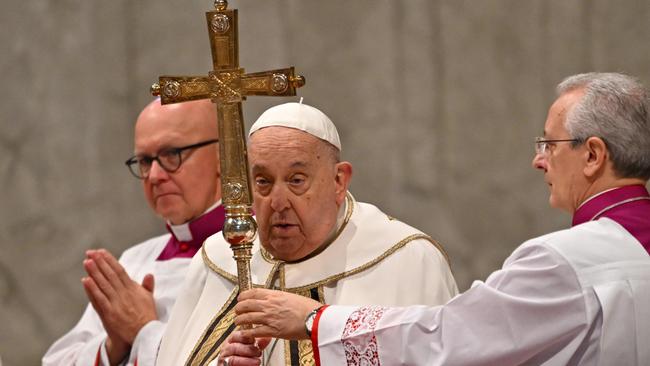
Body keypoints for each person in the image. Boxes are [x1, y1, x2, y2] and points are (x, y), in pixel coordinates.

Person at [233, 72, 650, 365]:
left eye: (549, 144)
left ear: (593, 155)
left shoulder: (565, 262)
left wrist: (312, 320)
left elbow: (446, 340)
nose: (538, 160)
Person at [155, 102, 458, 366]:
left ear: (339, 180)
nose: (277, 202)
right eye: (263, 182)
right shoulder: (218, 260)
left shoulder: (407, 261)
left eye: (296, 180)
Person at [43, 98, 225, 366]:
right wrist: (114, 343)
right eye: (144, 160)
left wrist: (143, 329)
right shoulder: (134, 261)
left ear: (225, 156)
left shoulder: (260, 256)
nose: (154, 176)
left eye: (172, 154)